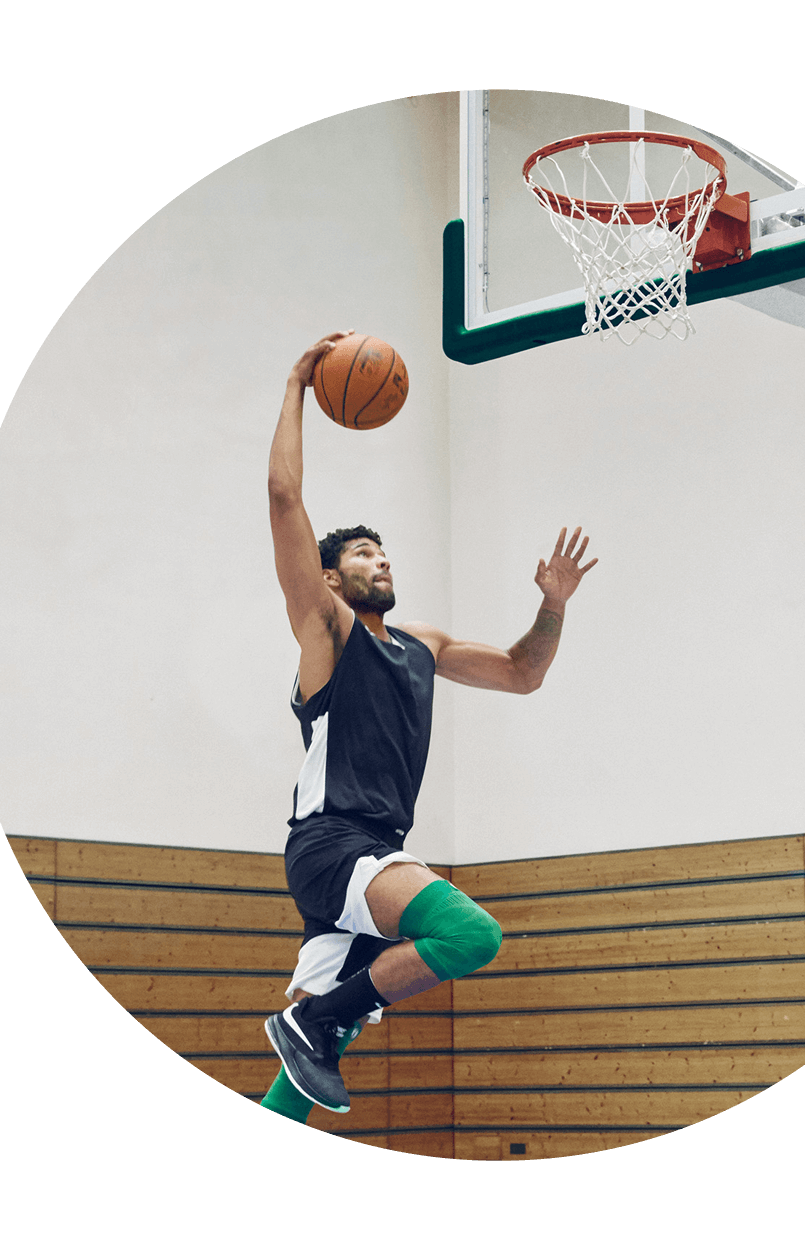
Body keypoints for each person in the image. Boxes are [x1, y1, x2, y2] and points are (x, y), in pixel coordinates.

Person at [260, 330, 598, 1122]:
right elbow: (283, 501)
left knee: (309, 1071)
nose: (380, 561)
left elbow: (521, 672)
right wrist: (297, 385)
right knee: (471, 934)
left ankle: (317, 1021)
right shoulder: (326, 629)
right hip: (333, 843)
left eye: (384, 552)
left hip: (373, 850)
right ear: (332, 573)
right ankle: (314, 1014)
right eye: (363, 554)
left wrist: (551, 605)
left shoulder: (422, 645)